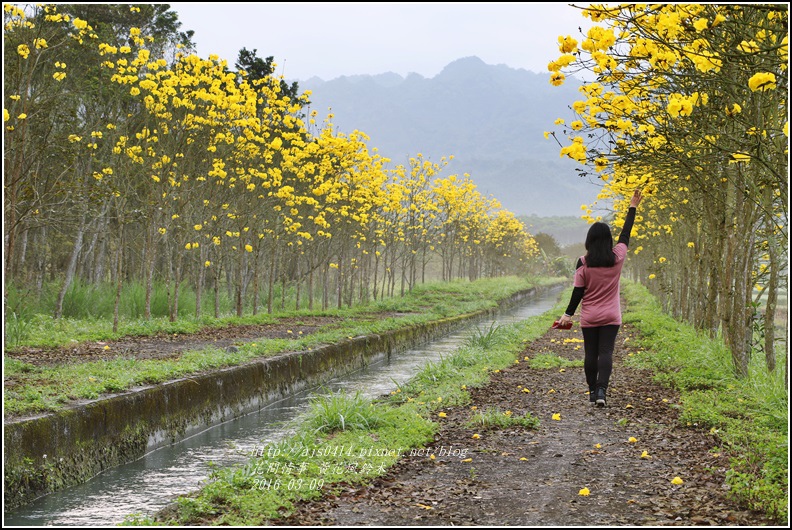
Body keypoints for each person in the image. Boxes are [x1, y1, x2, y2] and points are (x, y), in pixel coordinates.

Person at [557, 189, 643, 407]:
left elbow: (578, 291)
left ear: (589, 240)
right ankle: (603, 391)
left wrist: (567, 314)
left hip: (590, 316)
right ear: (608, 240)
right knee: (606, 352)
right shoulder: (618, 257)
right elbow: (626, 234)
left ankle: (592, 392)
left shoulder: (583, 263)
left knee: (590, 354)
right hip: (611, 315)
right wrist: (632, 206)